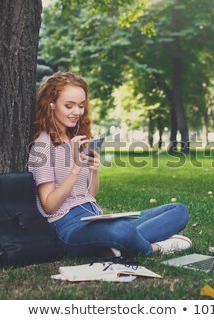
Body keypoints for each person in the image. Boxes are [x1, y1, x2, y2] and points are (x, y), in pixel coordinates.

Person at [28, 71, 191, 257]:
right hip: (68, 227)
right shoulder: (43, 145)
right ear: (51, 104)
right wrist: (75, 169)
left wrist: (93, 169)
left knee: (179, 210)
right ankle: (155, 248)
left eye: (81, 106)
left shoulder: (76, 138)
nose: (77, 112)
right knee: (120, 230)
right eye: (69, 106)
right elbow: (49, 205)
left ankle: (115, 246)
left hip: (95, 216)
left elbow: (90, 194)